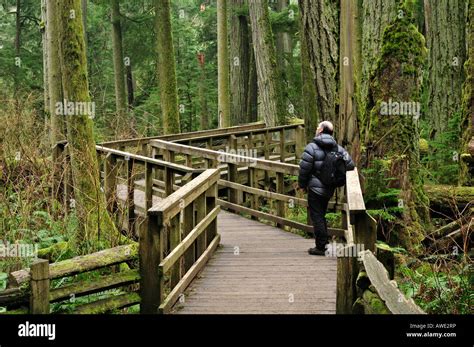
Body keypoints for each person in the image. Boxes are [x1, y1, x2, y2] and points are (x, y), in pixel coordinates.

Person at [298, 121, 355, 256]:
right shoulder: (338, 149)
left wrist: (302, 185)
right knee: (321, 214)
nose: (317, 129)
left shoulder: (311, 147)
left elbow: (304, 169)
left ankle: (321, 246)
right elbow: (351, 165)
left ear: (322, 130)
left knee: (317, 216)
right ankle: (323, 243)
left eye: (318, 127)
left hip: (315, 189)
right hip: (329, 189)